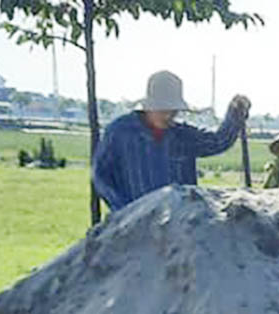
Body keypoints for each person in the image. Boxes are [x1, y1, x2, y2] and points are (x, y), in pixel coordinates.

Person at [92, 70, 250, 211]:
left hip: (179, 224)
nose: (168, 116)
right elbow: (101, 175)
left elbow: (218, 142)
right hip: (136, 223)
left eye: (173, 111)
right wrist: (123, 209)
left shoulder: (182, 135)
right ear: (149, 107)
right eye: (163, 110)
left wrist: (235, 114)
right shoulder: (120, 132)